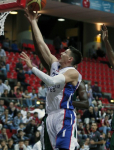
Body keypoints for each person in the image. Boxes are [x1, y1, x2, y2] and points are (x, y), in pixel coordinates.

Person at [24, 8, 87, 150]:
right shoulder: (55, 64)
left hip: (63, 114)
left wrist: (32, 67)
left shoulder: (72, 72)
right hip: (49, 115)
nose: (61, 52)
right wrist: (33, 22)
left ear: (70, 59)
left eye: (65, 52)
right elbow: (41, 44)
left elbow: (51, 82)